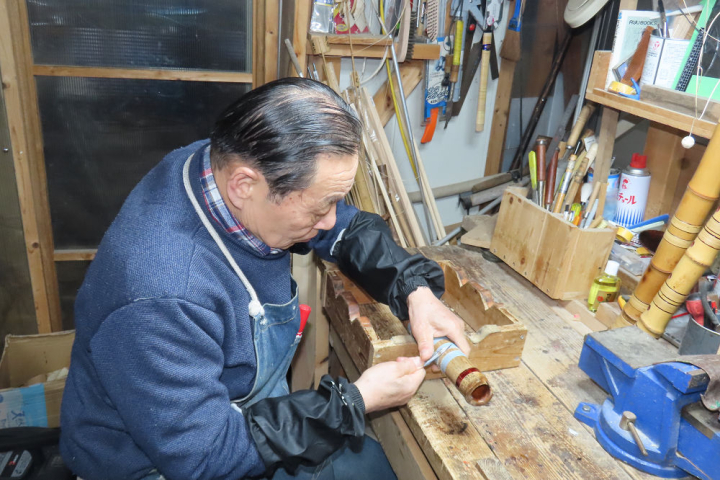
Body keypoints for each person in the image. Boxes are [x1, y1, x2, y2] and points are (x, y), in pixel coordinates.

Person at [60, 78, 470, 480]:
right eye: (319, 208)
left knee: (373, 467)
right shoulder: (161, 296)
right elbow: (205, 458)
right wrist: (353, 402)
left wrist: (413, 290)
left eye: (334, 201)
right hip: (172, 461)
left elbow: (344, 228)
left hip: (243, 417)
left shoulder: (227, 169)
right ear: (244, 185)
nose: (330, 220)